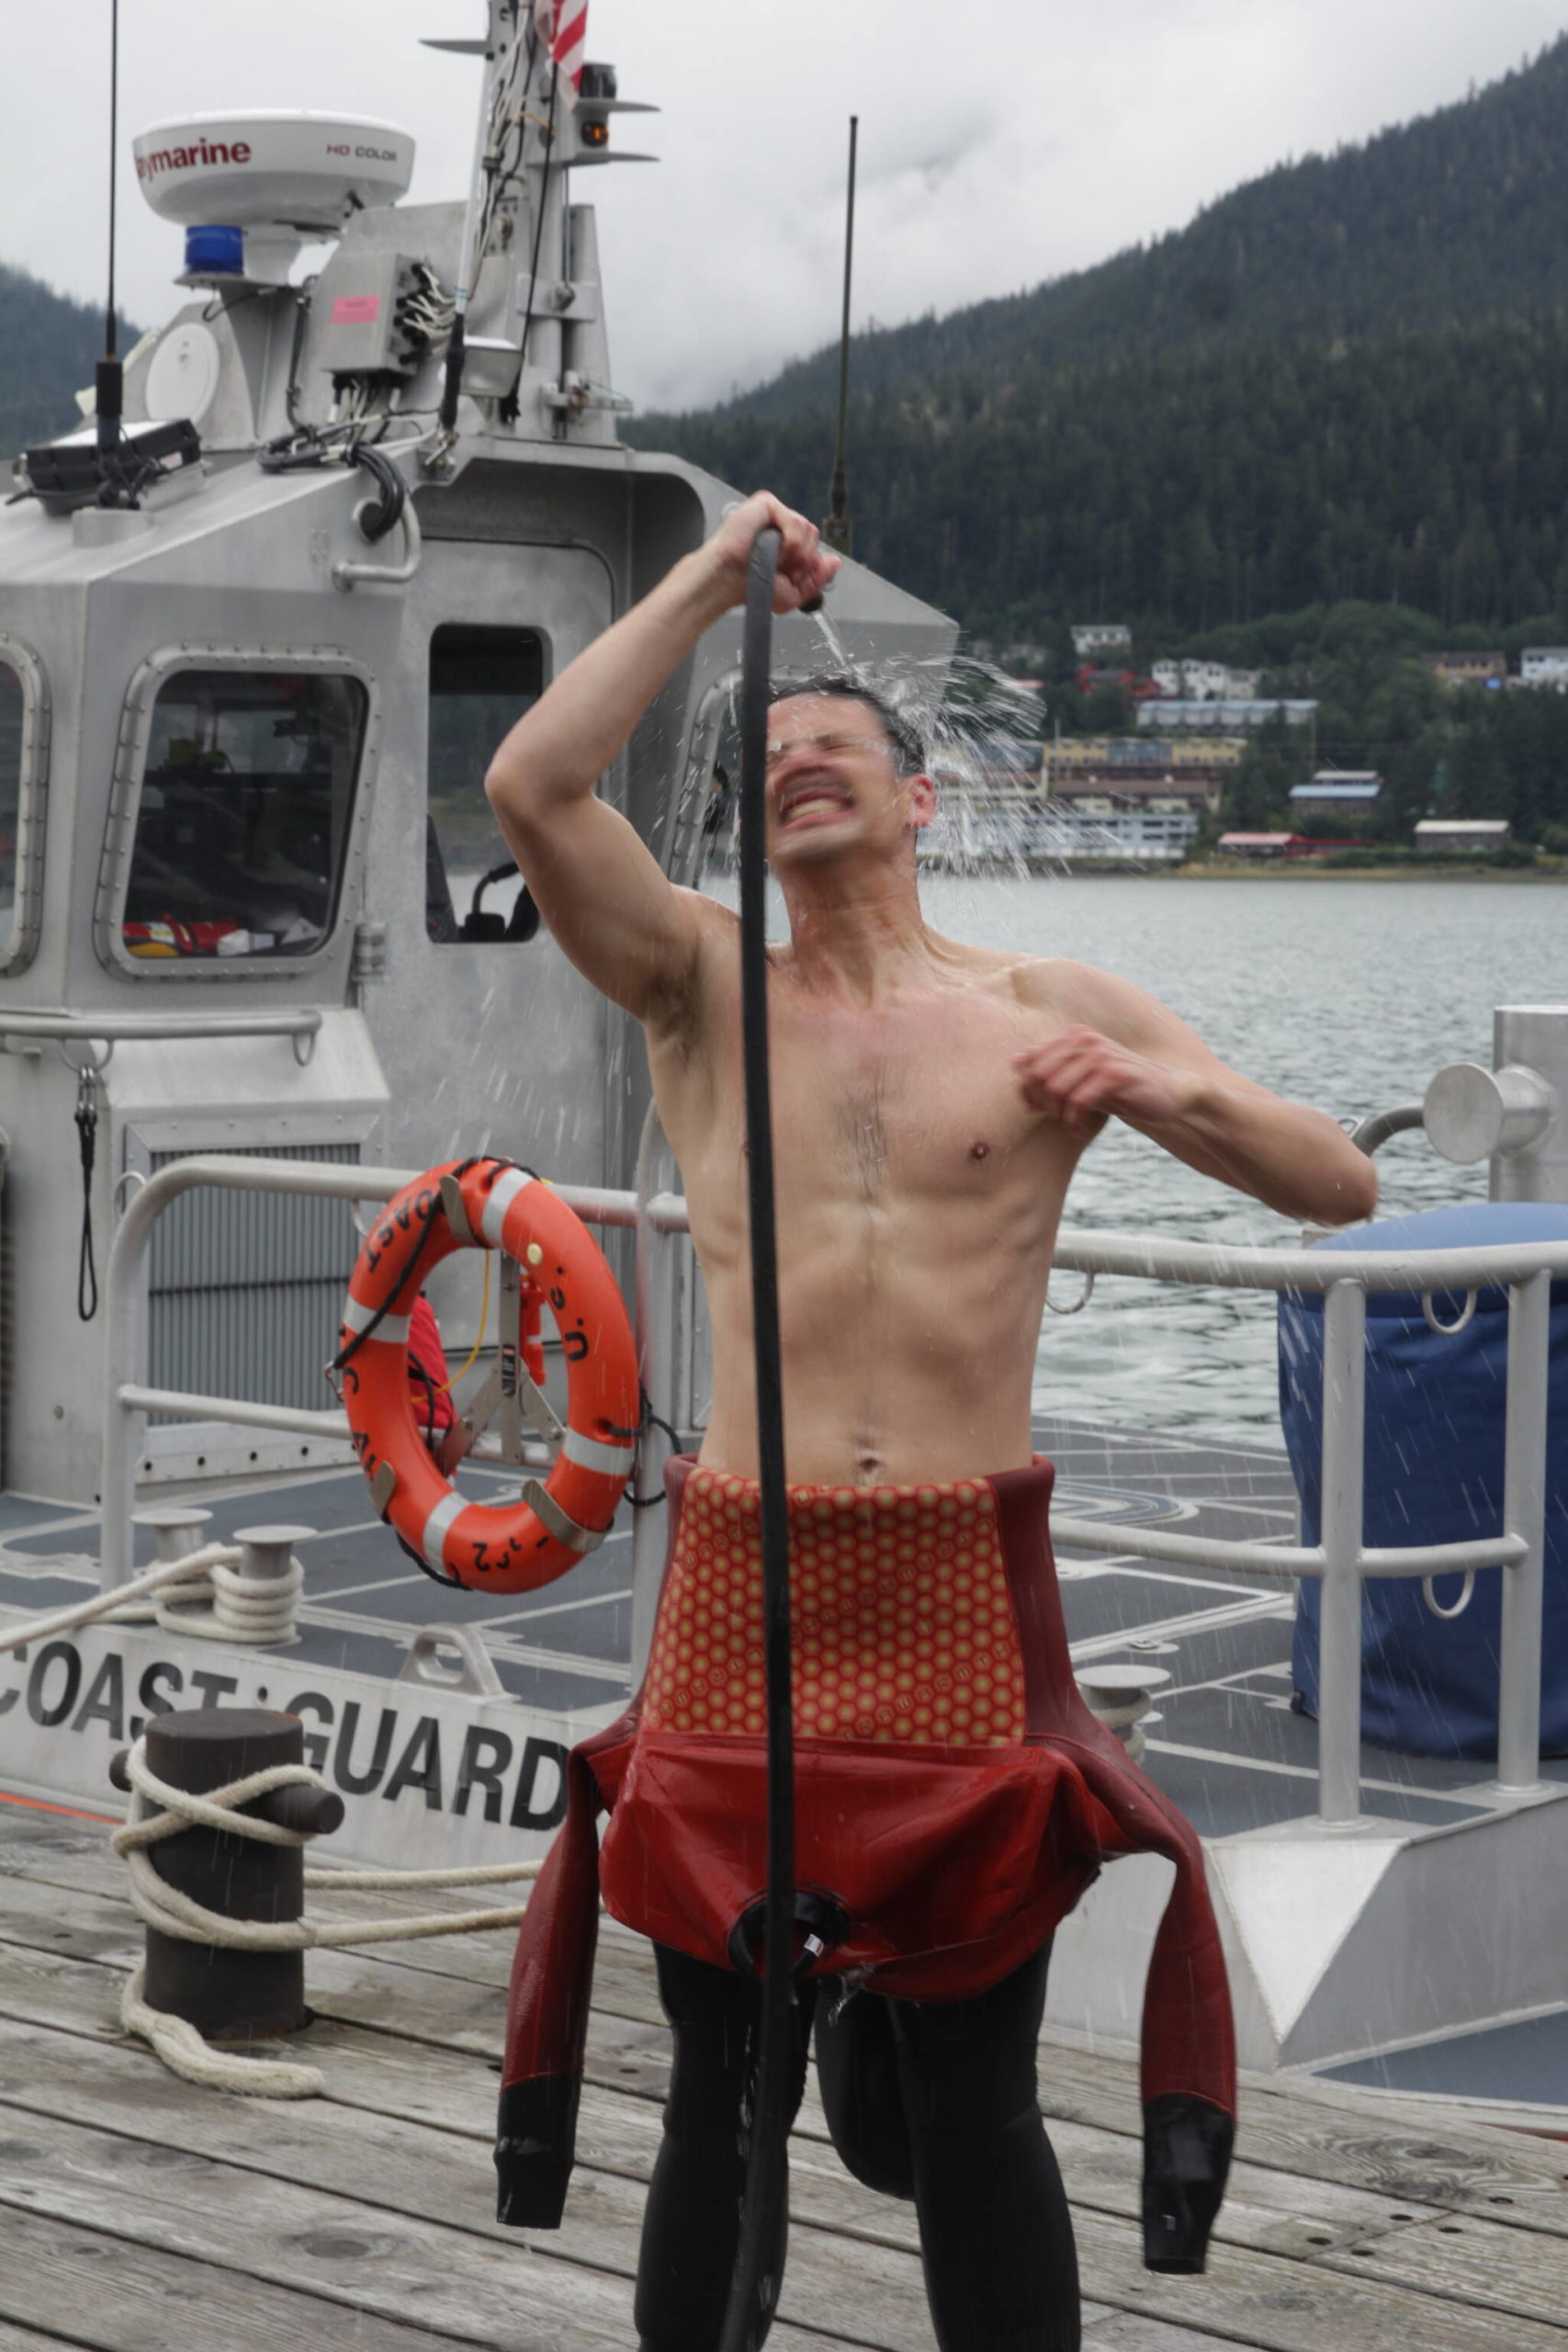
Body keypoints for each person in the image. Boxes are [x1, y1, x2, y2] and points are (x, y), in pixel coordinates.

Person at [483, 492, 1379, 2352]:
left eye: (838, 750)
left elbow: (1332, 1185)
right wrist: (704, 581)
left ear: (920, 803)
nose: (802, 766)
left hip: (964, 1587)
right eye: (773, 755)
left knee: (972, 2094)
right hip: (744, 1580)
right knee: (719, 2081)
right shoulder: (695, 987)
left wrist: (1143, 1083)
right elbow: (533, 788)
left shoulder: (1043, 1009)